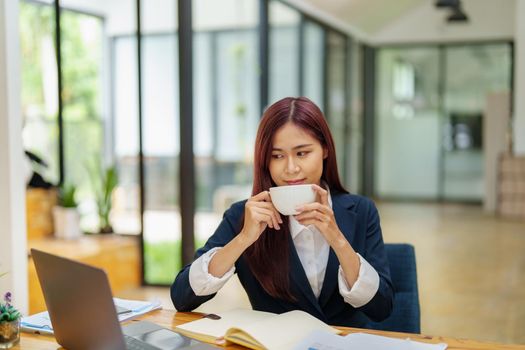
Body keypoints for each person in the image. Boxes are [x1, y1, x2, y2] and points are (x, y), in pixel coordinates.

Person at [171, 97, 393, 327]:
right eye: (277, 156)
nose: (291, 168)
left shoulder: (361, 211)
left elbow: (382, 307)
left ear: (325, 149)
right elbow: (182, 297)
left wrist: (337, 239)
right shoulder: (245, 216)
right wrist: (244, 239)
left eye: (302, 153)